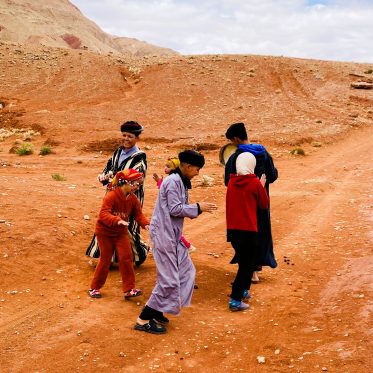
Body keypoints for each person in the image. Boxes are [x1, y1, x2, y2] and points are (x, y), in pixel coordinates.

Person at [134, 150, 217, 334]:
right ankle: (143, 319)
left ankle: (157, 311)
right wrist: (198, 207)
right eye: (197, 169)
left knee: (186, 272)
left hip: (172, 235)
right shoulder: (173, 181)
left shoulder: (180, 181)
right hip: (164, 236)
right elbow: (175, 209)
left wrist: (196, 208)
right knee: (169, 280)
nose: (198, 173)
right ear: (187, 166)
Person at [86, 121, 149, 266]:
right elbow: (109, 168)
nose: (126, 138)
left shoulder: (140, 157)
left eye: (130, 136)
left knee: (126, 225)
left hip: (128, 198)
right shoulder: (118, 151)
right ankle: (110, 259)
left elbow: (137, 179)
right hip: (113, 195)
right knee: (108, 223)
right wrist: (104, 176)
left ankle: (139, 254)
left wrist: (114, 179)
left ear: (137, 138)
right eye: (124, 135)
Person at [224, 122, 278, 282]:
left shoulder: (235, 158)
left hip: (241, 205)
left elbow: (228, 181)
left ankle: (250, 271)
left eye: (231, 141)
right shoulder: (263, 153)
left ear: (235, 138)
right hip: (261, 202)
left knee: (242, 236)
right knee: (260, 232)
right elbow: (273, 176)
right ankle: (255, 268)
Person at [88, 169, 150, 299]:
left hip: (120, 233)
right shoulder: (111, 196)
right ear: (125, 182)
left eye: (139, 184)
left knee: (126, 258)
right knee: (105, 259)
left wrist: (146, 225)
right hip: (105, 232)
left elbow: (138, 215)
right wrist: (117, 220)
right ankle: (94, 288)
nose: (138, 186)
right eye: (135, 183)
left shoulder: (133, 199)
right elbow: (103, 214)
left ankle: (129, 289)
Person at [226, 152, 269, 311]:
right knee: (247, 265)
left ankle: (243, 290)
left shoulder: (231, 181)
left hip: (233, 231)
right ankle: (235, 299)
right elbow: (263, 204)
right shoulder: (254, 183)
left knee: (244, 262)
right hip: (248, 230)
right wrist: (261, 186)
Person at [153, 157, 196, 254]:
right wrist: (159, 181)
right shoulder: (174, 179)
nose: (165, 168)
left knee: (173, 232)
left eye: (168, 166)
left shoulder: (174, 180)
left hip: (171, 212)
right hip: (171, 212)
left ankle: (187, 247)